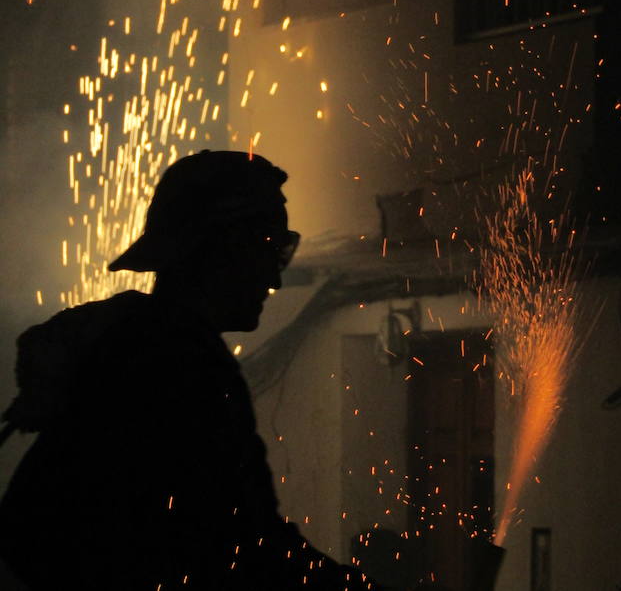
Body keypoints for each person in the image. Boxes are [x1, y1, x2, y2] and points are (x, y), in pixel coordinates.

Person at [0, 150, 387, 590]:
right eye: (268, 250)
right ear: (220, 249)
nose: (274, 279)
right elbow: (241, 543)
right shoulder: (176, 364)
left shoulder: (138, 344)